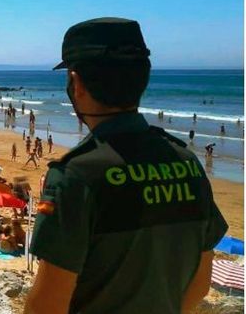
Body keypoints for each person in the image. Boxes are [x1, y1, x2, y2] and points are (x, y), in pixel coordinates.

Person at [26, 18, 228, 314]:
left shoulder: (76, 175)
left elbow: (46, 306)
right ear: (142, 81)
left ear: (76, 82)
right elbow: (200, 284)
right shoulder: (187, 162)